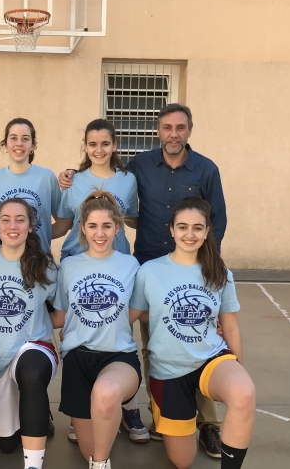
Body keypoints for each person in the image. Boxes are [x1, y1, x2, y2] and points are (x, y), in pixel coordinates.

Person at [59, 104, 226, 454]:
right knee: (150, 344)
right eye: (167, 127)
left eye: (180, 127)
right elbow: (105, 193)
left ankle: (207, 422)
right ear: (158, 131)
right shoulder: (140, 167)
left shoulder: (206, 169)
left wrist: (209, 274)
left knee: (195, 335)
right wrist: (71, 173)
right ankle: (161, 416)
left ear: (189, 130)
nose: (173, 134)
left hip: (191, 267)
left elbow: (217, 222)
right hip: (149, 260)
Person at [129, 196, 254, 469]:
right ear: (172, 230)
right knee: (182, 461)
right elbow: (134, 314)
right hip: (168, 370)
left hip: (210, 358)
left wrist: (237, 368)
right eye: (183, 227)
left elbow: (230, 326)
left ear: (207, 231)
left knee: (244, 393)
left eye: (197, 228)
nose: (190, 234)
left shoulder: (219, 272)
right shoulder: (150, 271)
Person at [52, 191, 144, 469]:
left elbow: (142, 310)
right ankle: (99, 457)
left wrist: (208, 322)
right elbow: (60, 316)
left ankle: (100, 465)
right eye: (92, 226)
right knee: (90, 450)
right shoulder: (69, 266)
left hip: (118, 356)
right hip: (78, 360)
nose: (100, 233)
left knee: (105, 393)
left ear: (117, 228)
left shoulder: (131, 265)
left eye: (106, 226)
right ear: (82, 228)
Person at [0, 198, 61, 469]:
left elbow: (60, 313)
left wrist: (34, 322)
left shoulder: (44, 264)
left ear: (30, 226)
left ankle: (33, 464)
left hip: (33, 347)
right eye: (5, 220)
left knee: (31, 373)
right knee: (6, 445)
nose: (13, 226)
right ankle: (30, 411)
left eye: (20, 220)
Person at [54, 119, 138, 260]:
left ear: (114, 145)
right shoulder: (71, 181)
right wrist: (26, 231)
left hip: (117, 260)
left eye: (105, 144)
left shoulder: (128, 180)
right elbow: (61, 227)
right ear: (85, 147)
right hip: (77, 259)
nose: (99, 150)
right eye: (93, 144)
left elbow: (131, 219)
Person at [0, 118, 63, 253]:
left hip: (38, 257)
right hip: (0, 257)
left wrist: (41, 235)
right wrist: (5, 229)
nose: (19, 143)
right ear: (5, 144)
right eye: (13, 138)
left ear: (33, 145)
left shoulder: (46, 177)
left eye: (25, 139)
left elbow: (62, 223)